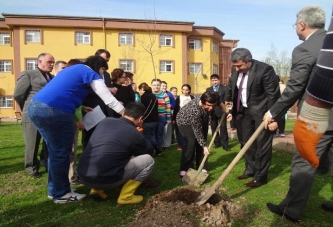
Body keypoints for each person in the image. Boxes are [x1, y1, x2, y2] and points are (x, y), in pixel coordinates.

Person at [28, 55, 124, 204]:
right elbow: (108, 98)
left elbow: (62, 91)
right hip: (56, 110)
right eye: (103, 70)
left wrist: (80, 107)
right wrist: (126, 113)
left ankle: (54, 190)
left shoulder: (72, 69)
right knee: (61, 153)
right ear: (97, 66)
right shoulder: (90, 73)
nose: (102, 74)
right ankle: (61, 194)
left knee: (55, 152)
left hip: (36, 107)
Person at [262, 6, 327, 222]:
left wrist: (273, 112)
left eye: (295, 25)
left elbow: (295, 86)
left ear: (302, 25)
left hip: (317, 119)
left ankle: (291, 209)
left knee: (303, 164)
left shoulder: (305, 49)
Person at [77, 102, 154, 204]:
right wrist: (139, 136)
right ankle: (126, 197)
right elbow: (142, 155)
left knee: (108, 153)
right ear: (140, 119)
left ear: (123, 113)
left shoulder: (105, 121)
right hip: (107, 180)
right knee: (148, 160)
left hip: (83, 175)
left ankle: (96, 190)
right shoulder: (136, 134)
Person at [226, 48, 280, 188]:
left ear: (249, 61)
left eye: (239, 66)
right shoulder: (235, 70)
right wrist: (227, 99)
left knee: (261, 145)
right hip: (242, 112)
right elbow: (232, 85)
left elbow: (273, 95)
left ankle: (260, 178)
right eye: (234, 66)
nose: (237, 69)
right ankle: (250, 170)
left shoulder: (265, 70)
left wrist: (273, 118)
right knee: (245, 142)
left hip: (262, 113)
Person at [13, 53, 55, 178]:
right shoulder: (28, 74)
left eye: (53, 62)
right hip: (31, 114)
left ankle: (45, 162)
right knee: (32, 143)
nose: (52, 64)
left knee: (48, 142)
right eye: (49, 62)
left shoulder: (51, 77)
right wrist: (27, 107)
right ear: (40, 61)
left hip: (48, 114)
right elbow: (18, 94)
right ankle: (31, 168)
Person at [177, 91, 218, 177]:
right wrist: (204, 146)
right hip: (185, 121)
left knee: (202, 144)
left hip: (202, 120)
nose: (211, 108)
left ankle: (202, 166)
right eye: (208, 105)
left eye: (213, 105)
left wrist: (225, 109)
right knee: (191, 143)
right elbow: (198, 131)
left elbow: (219, 99)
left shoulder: (212, 97)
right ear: (202, 102)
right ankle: (185, 168)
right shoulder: (195, 110)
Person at [82, 49, 116, 149]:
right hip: (91, 108)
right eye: (104, 59)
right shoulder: (87, 72)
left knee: (104, 135)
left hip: (105, 109)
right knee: (90, 135)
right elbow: (87, 89)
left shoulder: (106, 74)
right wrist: (106, 89)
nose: (105, 63)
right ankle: (87, 156)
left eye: (107, 61)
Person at [206, 74, 230, 151]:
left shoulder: (225, 88)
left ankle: (225, 144)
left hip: (221, 111)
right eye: (213, 80)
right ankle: (217, 143)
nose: (214, 82)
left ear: (219, 80)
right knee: (214, 128)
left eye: (216, 80)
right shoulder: (208, 89)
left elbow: (226, 99)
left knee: (223, 128)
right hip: (212, 112)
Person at [138, 82, 160, 156]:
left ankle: (150, 151)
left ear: (142, 89)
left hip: (147, 120)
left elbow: (143, 109)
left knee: (146, 137)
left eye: (139, 90)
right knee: (152, 135)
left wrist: (141, 119)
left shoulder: (143, 97)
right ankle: (157, 150)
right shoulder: (154, 96)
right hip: (155, 119)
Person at [172, 84, 195, 151]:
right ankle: (180, 145)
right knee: (179, 132)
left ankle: (188, 144)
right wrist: (174, 119)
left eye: (186, 90)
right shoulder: (179, 98)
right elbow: (176, 109)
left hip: (189, 118)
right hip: (180, 117)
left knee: (188, 132)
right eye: (183, 89)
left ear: (189, 90)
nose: (185, 91)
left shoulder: (192, 98)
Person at [151, 79, 171, 151]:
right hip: (152, 117)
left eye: (158, 85)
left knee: (159, 133)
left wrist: (168, 118)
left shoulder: (164, 95)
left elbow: (168, 106)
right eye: (154, 85)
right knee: (152, 133)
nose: (156, 86)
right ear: (152, 86)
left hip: (162, 116)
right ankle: (152, 148)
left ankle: (158, 149)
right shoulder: (150, 94)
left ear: (160, 86)